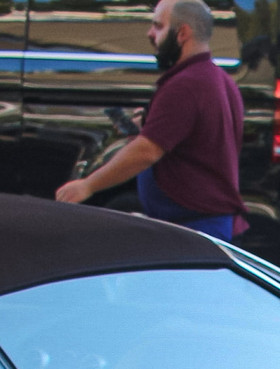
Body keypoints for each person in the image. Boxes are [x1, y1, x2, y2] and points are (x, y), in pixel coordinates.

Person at [53, 0, 246, 241]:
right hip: (200, 225)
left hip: (195, 230)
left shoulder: (186, 85)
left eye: (158, 26)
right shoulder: (219, 78)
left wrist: (87, 186)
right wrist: (146, 129)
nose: (150, 34)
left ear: (182, 33)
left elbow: (147, 151)